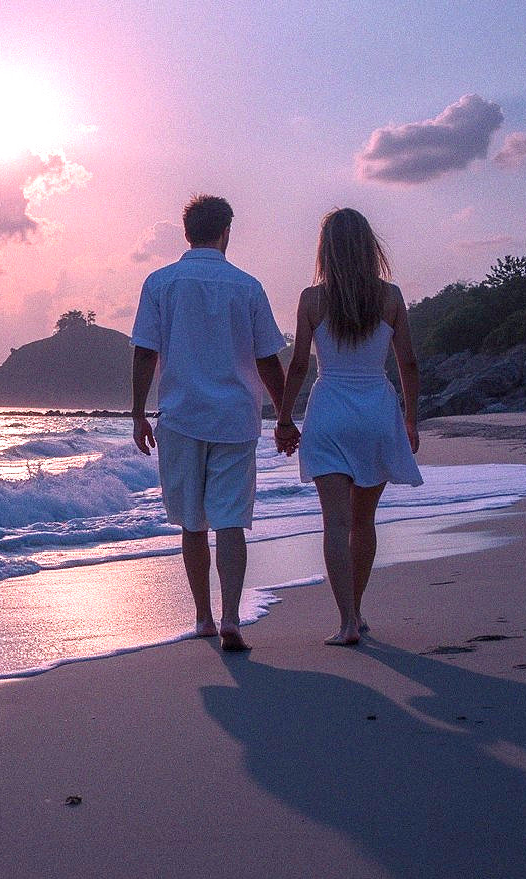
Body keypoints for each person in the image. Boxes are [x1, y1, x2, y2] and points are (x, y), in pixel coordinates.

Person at [131, 195, 291, 652]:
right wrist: (282, 417)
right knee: (231, 522)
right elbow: (268, 360)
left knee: (193, 524)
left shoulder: (160, 283)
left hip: (180, 417)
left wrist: (139, 412)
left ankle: (202, 616)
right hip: (236, 418)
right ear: (226, 232)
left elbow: (145, 350)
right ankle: (231, 618)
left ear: (187, 233)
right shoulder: (248, 287)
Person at [277, 208, 421, 646]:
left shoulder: (312, 299)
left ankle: (346, 621)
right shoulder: (391, 297)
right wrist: (411, 420)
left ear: (326, 250)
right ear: (368, 246)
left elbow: (300, 364)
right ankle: (356, 609)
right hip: (376, 412)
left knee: (335, 523)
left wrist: (284, 417)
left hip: (330, 413)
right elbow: (408, 364)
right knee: (364, 522)